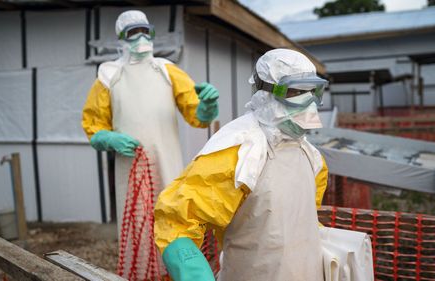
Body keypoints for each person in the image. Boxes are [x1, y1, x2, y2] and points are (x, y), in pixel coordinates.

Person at [154, 48, 329, 281]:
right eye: (295, 91)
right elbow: (177, 218)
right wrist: (191, 269)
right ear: (265, 92)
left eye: (312, 91)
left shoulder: (310, 156)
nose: (307, 102)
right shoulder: (240, 149)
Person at [81, 10, 219, 278]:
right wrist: (106, 138)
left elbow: (196, 115)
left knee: (173, 219)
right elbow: (93, 124)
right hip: (131, 167)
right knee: (138, 225)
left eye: (146, 31)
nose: (141, 38)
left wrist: (208, 106)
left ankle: (174, 274)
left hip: (168, 162)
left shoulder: (167, 71)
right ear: (121, 38)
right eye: (133, 33)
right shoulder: (109, 75)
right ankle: (141, 274)